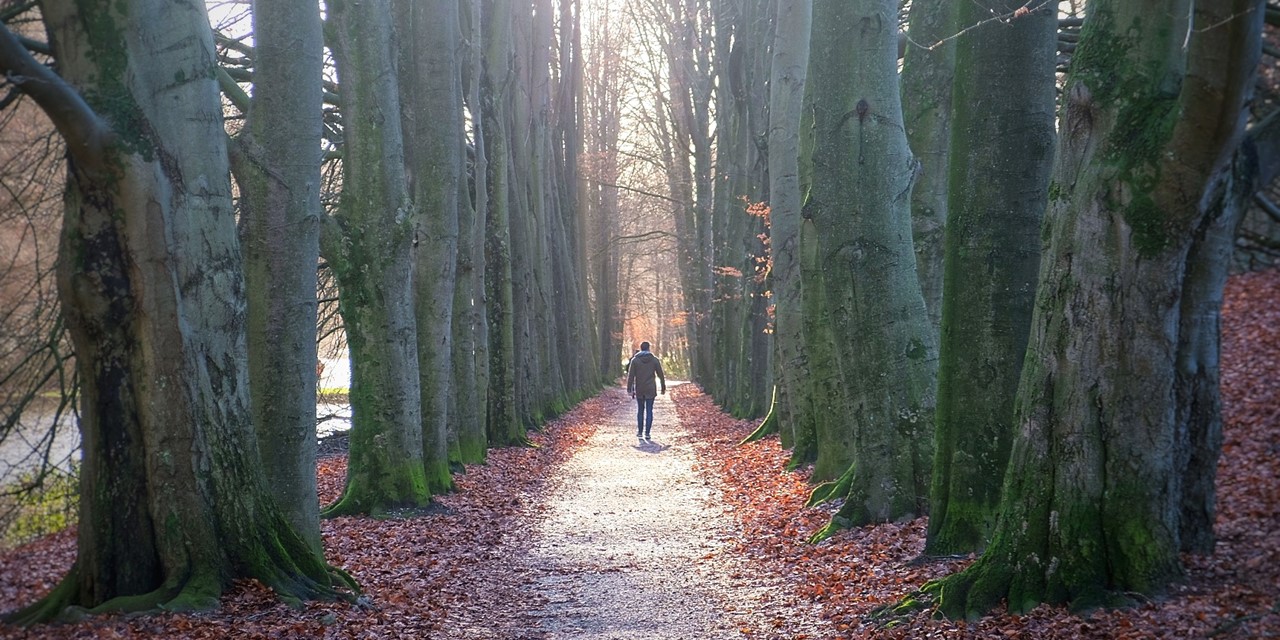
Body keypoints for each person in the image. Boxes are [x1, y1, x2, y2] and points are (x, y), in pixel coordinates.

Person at [625, 341, 666, 440]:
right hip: (650, 388)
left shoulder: (635, 360)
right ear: (649, 348)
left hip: (640, 388)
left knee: (640, 410)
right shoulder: (654, 360)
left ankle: (639, 432)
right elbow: (660, 375)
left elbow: (631, 376)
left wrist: (629, 388)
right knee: (649, 410)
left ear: (641, 348)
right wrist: (663, 387)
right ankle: (647, 433)